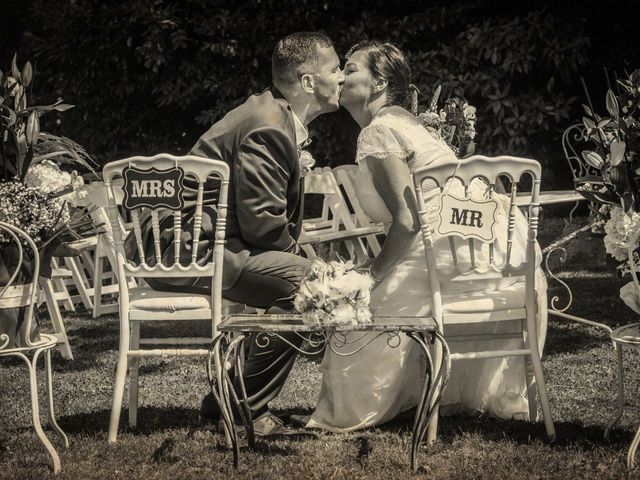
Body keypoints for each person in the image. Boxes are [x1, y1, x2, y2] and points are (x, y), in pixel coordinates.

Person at [303, 41, 548, 432]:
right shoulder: (409, 125)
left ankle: (358, 409)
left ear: (380, 82)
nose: (341, 77)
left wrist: (370, 275)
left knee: (355, 316)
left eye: (350, 69)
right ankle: (431, 392)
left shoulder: (380, 131)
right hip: (493, 250)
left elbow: (409, 222)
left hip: (447, 251)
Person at [126, 32, 344, 436]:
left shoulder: (270, 115)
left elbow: (255, 222)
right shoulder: (269, 127)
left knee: (308, 283)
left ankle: (225, 400)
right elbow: (263, 224)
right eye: (335, 68)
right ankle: (243, 409)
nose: (343, 77)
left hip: (199, 245)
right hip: (184, 250)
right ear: (310, 82)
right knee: (316, 287)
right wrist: (309, 263)